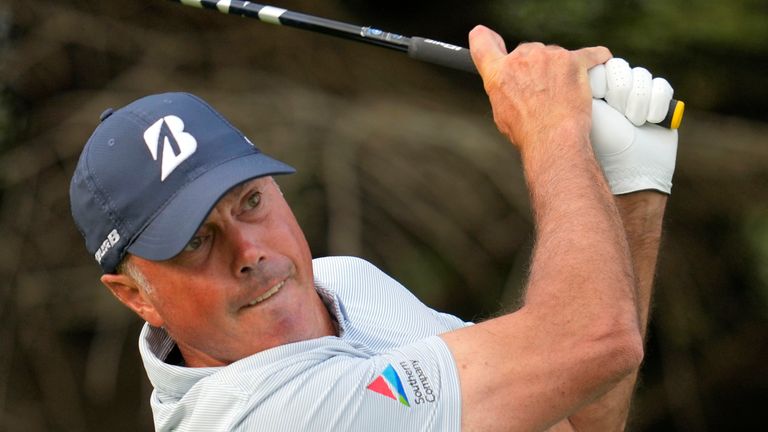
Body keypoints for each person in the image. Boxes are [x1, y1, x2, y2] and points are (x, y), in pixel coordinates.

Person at [69, 25, 678, 431]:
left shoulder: (343, 283)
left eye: (250, 201)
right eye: (196, 240)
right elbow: (593, 344)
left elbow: (568, 406)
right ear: (135, 295)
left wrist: (631, 185)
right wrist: (552, 131)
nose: (249, 252)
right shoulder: (263, 417)